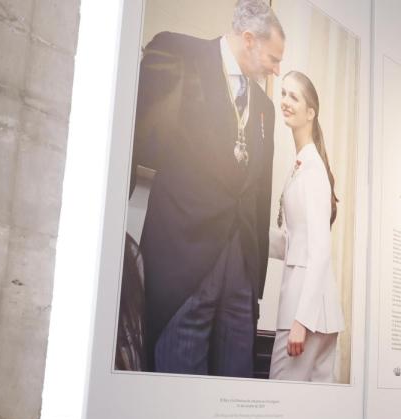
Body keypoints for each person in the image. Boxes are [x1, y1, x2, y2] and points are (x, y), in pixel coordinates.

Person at [130, 0, 284, 376]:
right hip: (184, 256)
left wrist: (255, 278)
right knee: (178, 383)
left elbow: (260, 192)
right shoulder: (176, 54)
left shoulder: (264, 107)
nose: (277, 70)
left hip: (241, 272)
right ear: (248, 39)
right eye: (273, 58)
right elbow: (139, 139)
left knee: (234, 390)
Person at [268, 71, 344, 382]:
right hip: (320, 316)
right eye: (283, 93)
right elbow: (297, 242)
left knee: (281, 402)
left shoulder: (312, 169)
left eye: (294, 96)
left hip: (304, 314)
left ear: (310, 112)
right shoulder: (303, 164)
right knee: (313, 415)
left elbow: (320, 251)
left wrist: (301, 320)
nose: (285, 101)